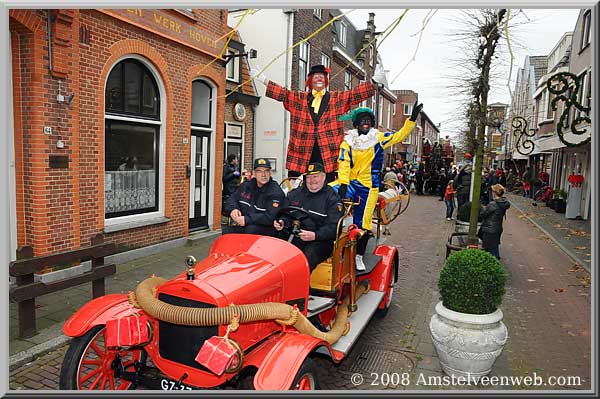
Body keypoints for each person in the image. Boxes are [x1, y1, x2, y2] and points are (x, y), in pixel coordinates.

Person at [250, 64, 385, 181]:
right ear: (310, 81)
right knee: (297, 187)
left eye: (322, 76)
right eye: (316, 76)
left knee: (327, 188)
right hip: (302, 151)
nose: (319, 78)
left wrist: (373, 81)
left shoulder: (336, 98)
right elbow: (283, 94)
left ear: (325, 81)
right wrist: (263, 79)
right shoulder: (299, 98)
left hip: (328, 154)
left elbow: (354, 94)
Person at [331, 103, 421, 270]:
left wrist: (412, 119)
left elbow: (399, 136)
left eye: (368, 120)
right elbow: (343, 162)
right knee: (328, 191)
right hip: (350, 182)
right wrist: (343, 182)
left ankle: (358, 256)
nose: (365, 122)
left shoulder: (378, 138)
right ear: (356, 124)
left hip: (369, 186)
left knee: (363, 222)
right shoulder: (348, 141)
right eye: (362, 120)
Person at [274, 162, 343, 272]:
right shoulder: (295, 194)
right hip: (294, 235)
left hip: (319, 241)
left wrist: (315, 235)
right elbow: (285, 214)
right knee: (273, 252)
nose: (312, 181)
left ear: (323, 176)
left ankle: (300, 287)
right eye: (309, 177)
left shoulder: (332, 198)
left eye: (315, 176)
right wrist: (282, 222)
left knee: (305, 259)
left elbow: (334, 228)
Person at [223, 158, 285, 237]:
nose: (263, 175)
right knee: (226, 233)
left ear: (270, 173)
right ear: (254, 173)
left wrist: (247, 219)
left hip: (266, 232)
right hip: (246, 227)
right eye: (259, 171)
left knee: (250, 229)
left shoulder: (275, 192)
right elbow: (232, 199)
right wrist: (233, 209)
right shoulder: (246, 186)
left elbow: (270, 217)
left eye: (266, 171)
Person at [478, 184, 510, 259]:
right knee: (494, 247)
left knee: (489, 250)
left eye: (492, 191)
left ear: (495, 192)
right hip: (497, 228)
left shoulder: (493, 204)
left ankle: (493, 265)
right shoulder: (503, 203)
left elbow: (483, 214)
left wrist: (483, 207)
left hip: (489, 229)